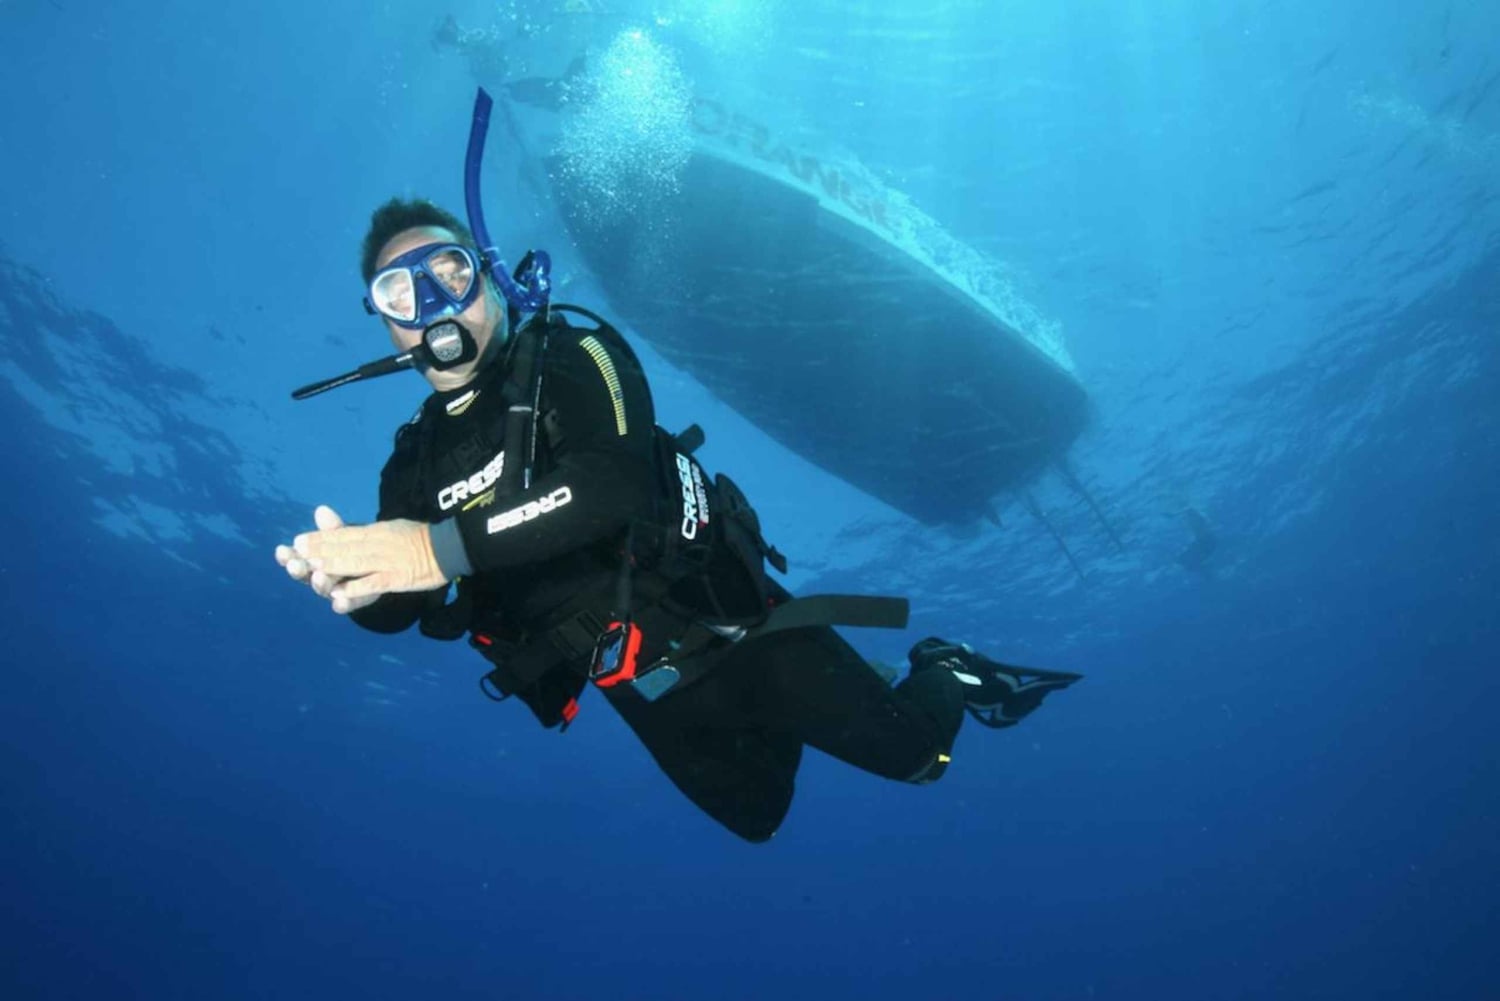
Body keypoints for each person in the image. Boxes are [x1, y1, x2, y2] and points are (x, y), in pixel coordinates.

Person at [274, 95, 1081, 842]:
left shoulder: (573, 352)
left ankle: (936, 666)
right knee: (759, 816)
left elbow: (608, 486)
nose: (434, 302)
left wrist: (433, 549)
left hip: (732, 623)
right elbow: (397, 612)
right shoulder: (412, 460)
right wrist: (358, 587)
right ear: (386, 326)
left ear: (486, 275)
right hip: (641, 683)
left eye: (448, 273)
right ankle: (818, 701)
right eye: (400, 292)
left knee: (918, 759)